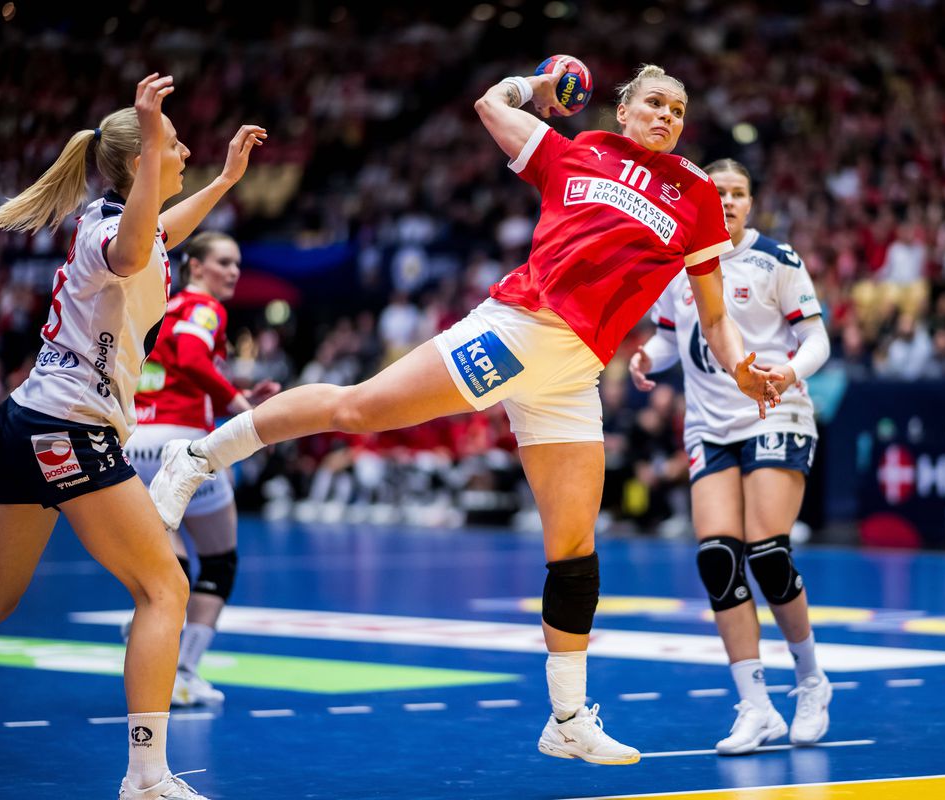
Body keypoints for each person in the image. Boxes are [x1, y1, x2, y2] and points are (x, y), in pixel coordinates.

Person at [148, 63, 782, 765]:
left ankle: (567, 718)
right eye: (654, 103)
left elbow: (716, 316)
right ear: (624, 110)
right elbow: (488, 103)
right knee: (360, 408)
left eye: (678, 109)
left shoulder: (693, 193)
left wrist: (742, 365)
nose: (666, 116)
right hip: (518, 328)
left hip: (575, 372)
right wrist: (534, 88)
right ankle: (199, 456)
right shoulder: (579, 149)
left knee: (574, 551)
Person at [0, 73, 265, 800]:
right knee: (164, 586)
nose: (187, 150)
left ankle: (147, 773)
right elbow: (134, 253)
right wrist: (147, 123)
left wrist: (225, 180)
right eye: (176, 144)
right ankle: (146, 776)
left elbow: (161, 234)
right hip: (69, 427)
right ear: (143, 161)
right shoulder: (111, 234)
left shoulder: (128, 221)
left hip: (28, 421)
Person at [631, 158, 833, 755]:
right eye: (716, 191)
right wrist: (647, 355)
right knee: (719, 558)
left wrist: (790, 370)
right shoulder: (680, 267)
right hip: (709, 425)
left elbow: (817, 336)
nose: (726, 200)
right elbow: (672, 336)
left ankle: (812, 681)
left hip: (776, 411)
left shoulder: (777, 260)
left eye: (737, 193)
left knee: (768, 553)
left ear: (750, 202)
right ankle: (756, 706)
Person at [125, 231, 279, 707]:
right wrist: (239, 407)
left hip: (134, 443)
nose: (233, 271)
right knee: (217, 561)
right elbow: (192, 359)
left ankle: (149, 643)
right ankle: (184, 670)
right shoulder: (205, 308)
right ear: (195, 266)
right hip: (182, 443)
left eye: (237, 263)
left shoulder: (156, 305)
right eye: (223, 262)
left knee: (169, 568)